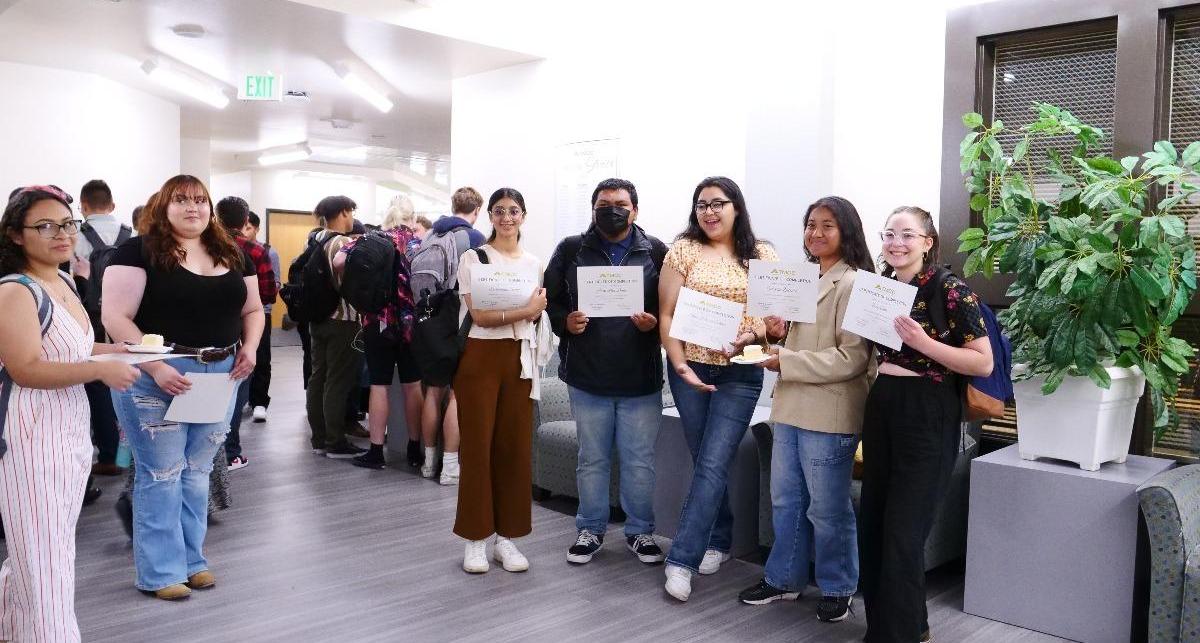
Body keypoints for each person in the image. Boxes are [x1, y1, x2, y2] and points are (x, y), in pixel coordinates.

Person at [102, 174, 264, 600]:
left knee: (196, 475)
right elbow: (116, 319)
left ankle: (193, 561)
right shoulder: (137, 251)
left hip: (219, 372)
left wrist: (250, 347)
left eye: (200, 200)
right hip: (156, 377)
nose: (193, 208)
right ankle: (159, 572)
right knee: (161, 474)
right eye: (182, 200)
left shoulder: (230, 250)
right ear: (164, 206)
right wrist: (155, 367)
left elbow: (253, 309)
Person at [0, 186, 139, 641]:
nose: (62, 234)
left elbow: (71, 346)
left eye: (67, 224)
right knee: (42, 561)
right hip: (30, 436)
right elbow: (26, 368)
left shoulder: (62, 280)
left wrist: (114, 350)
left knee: (50, 553)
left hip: (68, 432)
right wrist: (101, 368)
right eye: (45, 226)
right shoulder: (15, 291)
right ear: (16, 236)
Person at [736, 196, 875, 623]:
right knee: (786, 500)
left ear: (846, 231)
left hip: (829, 416)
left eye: (827, 225)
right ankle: (784, 579)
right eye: (810, 224)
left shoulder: (856, 284)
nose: (815, 233)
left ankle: (838, 586)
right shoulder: (802, 280)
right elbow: (796, 348)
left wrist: (785, 360)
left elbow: (851, 359)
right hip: (791, 408)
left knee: (827, 509)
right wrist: (775, 338)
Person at [859, 206, 991, 643]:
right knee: (877, 524)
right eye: (889, 234)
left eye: (907, 235)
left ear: (928, 242)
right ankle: (904, 628)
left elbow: (982, 362)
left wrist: (924, 342)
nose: (896, 243)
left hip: (928, 407)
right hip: (883, 404)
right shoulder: (881, 287)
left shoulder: (951, 290)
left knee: (903, 532)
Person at [658, 176, 778, 602]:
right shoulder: (683, 250)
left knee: (712, 461)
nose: (710, 211)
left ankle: (681, 560)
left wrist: (758, 333)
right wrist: (679, 365)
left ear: (736, 208)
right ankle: (720, 539)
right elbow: (666, 315)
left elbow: (773, 321)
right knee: (707, 458)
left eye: (719, 203)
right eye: (702, 204)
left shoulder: (762, 255)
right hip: (689, 368)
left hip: (742, 374)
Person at [543, 178, 668, 565]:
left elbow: (671, 309)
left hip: (640, 376)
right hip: (588, 374)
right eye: (603, 203)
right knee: (592, 458)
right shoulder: (570, 249)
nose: (612, 209)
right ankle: (590, 529)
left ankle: (640, 532)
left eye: (620, 203)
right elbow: (551, 300)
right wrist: (566, 321)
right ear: (593, 207)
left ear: (635, 210)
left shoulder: (658, 252)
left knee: (639, 460)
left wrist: (655, 326)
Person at [453, 187, 549, 574]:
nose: (506, 217)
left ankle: (506, 539)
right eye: (498, 211)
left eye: (513, 210)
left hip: (520, 360)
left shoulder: (533, 262)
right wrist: (527, 309)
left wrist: (534, 314)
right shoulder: (474, 257)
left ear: (523, 215)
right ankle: (475, 540)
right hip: (479, 357)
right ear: (489, 216)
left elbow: (537, 315)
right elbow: (479, 316)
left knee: (513, 448)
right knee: (477, 447)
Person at [331, 215, 421, 470]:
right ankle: (415, 449)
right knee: (412, 385)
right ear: (410, 220)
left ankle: (376, 452)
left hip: (376, 321)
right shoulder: (416, 243)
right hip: (408, 323)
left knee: (379, 385)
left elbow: (338, 261)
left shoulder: (369, 240)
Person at [417, 186, 486, 478]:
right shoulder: (474, 238)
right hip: (459, 320)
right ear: (477, 210)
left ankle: (428, 463)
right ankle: (450, 468)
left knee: (433, 392)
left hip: (430, 319)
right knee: (457, 395)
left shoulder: (431, 234)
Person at [215, 196, 276, 471]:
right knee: (243, 375)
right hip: (252, 319)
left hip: (218, 322)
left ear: (216, 216)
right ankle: (232, 449)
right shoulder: (256, 250)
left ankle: (216, 448)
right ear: (245, 221)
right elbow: (267, 292)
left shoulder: (205, 246)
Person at [75, 179, 130, 477]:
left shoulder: (75, 238)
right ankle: (128, 453)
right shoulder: (131, 237)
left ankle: (108, 455)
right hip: (129, 320)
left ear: (83, 206)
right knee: (130, 381)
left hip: (91, 318)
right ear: (112, 205)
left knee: (98, 384)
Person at [304, 196, 367, 459]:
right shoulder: (342, 243)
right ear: (343, 212)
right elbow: (351, 284)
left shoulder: (316, 240)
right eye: (351, 211)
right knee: (338, 381)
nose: (352, 216)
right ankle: (335, 441)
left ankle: (319, 438)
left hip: (317, 318)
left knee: (318, 377)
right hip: (343, 320)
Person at [243, 211, 280, 423]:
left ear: (256, 228)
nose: (245, 231)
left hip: (261, 312)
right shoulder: (230, 248)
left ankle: (259, 402)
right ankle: (243, 399)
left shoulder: (268, 252)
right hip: (235, 313)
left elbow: (275, 284)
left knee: (262, 358)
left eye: (249, 227)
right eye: (243, 226)